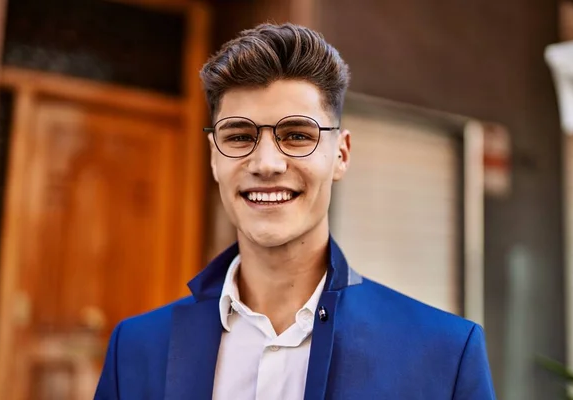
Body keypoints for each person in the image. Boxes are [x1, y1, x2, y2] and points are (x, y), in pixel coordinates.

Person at [95, 23, 496, 400]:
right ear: (214, 158)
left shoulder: (445, 357)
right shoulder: (135, 350)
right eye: (239, 136)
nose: (266, 163)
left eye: (297, 135)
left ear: (341, 154)